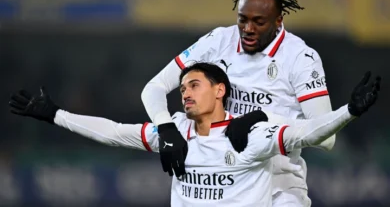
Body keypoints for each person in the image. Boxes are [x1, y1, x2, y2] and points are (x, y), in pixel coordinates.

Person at [9, 62, 380, 207]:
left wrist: (349, 111)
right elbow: (114, 133)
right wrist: (55, 114)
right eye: (182, 86)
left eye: (195, 85)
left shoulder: (249, 134)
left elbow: (308, 134)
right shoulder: (176, 132)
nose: (185, 92)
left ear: (220, 91)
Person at [141, 0, 336, 205]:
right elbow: (154, 87)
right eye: (242, 20)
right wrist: (165, 127)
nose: (248, 29)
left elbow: (326, 137)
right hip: (225, 183)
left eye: (259, 22)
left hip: (279, 187)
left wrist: (261, 118)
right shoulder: (218, 42)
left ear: (278, 20)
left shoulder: (300, 58)